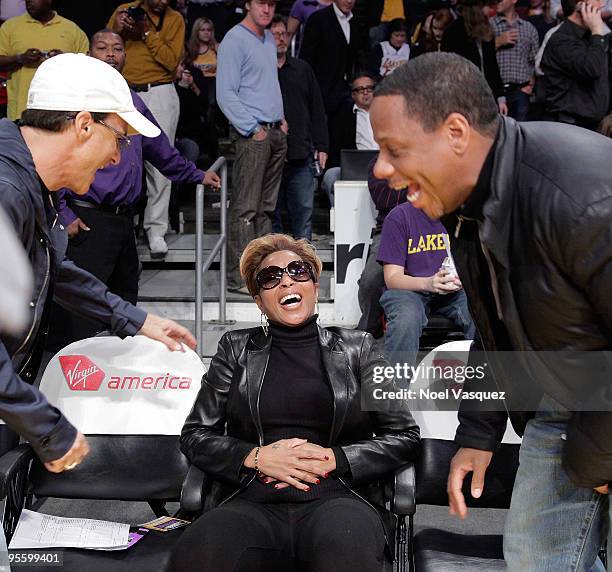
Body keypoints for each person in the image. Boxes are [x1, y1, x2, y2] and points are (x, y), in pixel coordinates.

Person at [370, 51, 612, 571]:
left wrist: (596, 455)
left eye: (394, 149)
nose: (381, 168)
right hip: (570, 397)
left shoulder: (581, 195)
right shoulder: (466, 206)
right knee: (534, 561)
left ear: (456, 132)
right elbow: (496, 327)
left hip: (598, 405)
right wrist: (479, 434)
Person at [170, 233, 420, 572]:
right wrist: (255, 457)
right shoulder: (235, 348)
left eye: (298, 271)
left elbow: (404, 436)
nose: (286, 279)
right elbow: (196, 434)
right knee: (200, 553)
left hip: (339, 497)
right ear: (259, 300)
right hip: (250, 498)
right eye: (270, 278)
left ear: (315, 286)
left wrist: (338, 458)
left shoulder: (358, 348)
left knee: (346, 553)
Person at [0, 53, 196, 478]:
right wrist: (48, 428)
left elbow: (53, 267)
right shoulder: (6, 190)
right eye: (120, 139)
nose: (117, 158)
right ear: (84, 125)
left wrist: (136, 319)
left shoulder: (29, 183)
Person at [47, 30, 220, 349]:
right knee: (79, 314)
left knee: (124, 301)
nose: (111, 54)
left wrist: (197, 174)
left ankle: (116, 373)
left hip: (124, 221)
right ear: (90, 55)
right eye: (103, 48)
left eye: (117, 48)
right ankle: (70, 383)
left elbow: (159, 149)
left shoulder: (132, 100)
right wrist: (63, 212)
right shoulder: (76, 100)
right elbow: (53, 158)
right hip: (86, 221)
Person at [217, 0, 288, 294]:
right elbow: (225, 94)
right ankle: (238, 276)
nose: (267, 9)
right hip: (253, 133)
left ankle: (262, 272)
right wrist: (252, 128)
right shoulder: (235, 39)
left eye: (272, 3)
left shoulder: (269, 38)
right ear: (248, 4)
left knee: (265, 209)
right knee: (246, 208)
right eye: (261, 2)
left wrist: (280, 120)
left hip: (273, 130)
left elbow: (266, 83)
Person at [108, 0, 186, 257]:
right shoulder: (125, 9)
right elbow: (103, 48)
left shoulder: (174, 19)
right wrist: (119, 29)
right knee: (116, 157)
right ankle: (123, 224)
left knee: (160, 164)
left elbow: (170, 61)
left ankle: (155, 229)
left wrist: (145, 33)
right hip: (123, 89)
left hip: (160, 90)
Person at [377, 200, 475, 366]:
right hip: (409, 289)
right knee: (405, 319)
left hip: (456, 290)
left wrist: (464, 278)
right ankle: (395, 389)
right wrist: (428, 283)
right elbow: (393, 278)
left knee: (482, 316)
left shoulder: (464, 216)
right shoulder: (399, 216)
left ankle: (489, 382)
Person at [271, 15, 328, 241]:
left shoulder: (302, 69)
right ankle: (274, 270)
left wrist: (322, 145)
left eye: (284, 34)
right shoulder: (260, 71)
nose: (281, 39)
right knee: (271, 217)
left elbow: (316, 109)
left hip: (300, 153)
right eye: (275, 35)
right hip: (270, 155)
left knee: (303, 215)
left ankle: (304, 268)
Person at [0, 0, 88, 120]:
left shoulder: (72, 29)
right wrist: (20, 58)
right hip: (20, 111)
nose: (29, 2)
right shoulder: (10, 26)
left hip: (61, 112)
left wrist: (65, 60)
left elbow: (87, 68)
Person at [356, 156, 408, 339]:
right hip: (391, 230)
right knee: (370, 280)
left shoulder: (431, 155)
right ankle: (369, 331)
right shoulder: (379, 162)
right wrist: (421, 183)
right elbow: (386, 199)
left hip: (430, 228)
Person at [541, 0, 610, 129]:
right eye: (597, 0)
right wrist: (597, 32)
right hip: (570, 126)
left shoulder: (591, 37)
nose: (602, 5)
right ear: (581, 6)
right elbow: (591, 69)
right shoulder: (561, 40)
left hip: (593, 126)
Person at [300, 0, 358, 135]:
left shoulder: (354, 21)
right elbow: (306, 59)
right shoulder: (318, 19)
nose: (349, 1)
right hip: (322, 94)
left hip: (346, 94)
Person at [442, 0, 508, 114]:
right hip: (462, 98)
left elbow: (492, 66)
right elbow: (448, 70)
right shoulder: (453, 32)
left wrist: (500, 97)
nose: (492, 11)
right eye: (488, 6)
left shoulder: (487, 30)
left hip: (487, 96)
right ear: (477, 9)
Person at [491, 0, 540, 121]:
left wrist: (530, 85)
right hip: (494, 92)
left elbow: (534, 61)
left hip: (520, 92)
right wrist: (497, 42)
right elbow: (478, 55)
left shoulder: (528, 28)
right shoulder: (488, 26)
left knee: (520, 135)